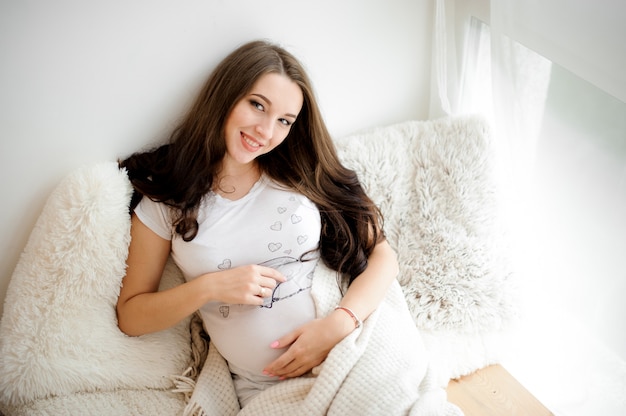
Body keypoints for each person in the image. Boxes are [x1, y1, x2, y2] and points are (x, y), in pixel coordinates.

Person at [116, 39, 399, 408]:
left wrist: (338, 325)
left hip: (355, 345)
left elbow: (384, 256)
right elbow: (131, 315)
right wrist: (209, 287)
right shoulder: (167, 199)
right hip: (265, 386)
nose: (266, 131)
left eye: (284, 121)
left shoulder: (302, 172)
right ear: (226, 95)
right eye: (257, 105)